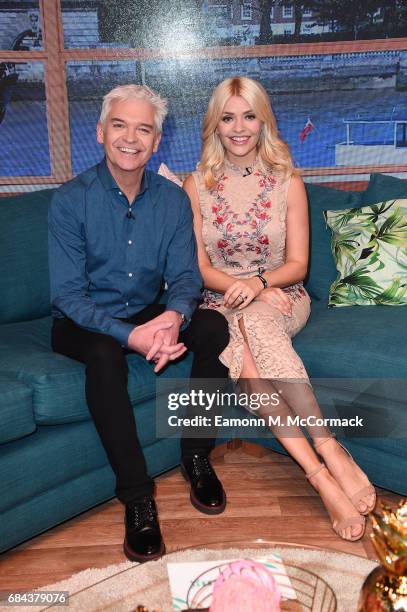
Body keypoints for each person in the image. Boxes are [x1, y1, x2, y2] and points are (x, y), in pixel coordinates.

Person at [183, 76, 376, 542]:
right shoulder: (195, 184)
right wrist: (244, 288)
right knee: (244, 354)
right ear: (215, 125)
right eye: (228, 117)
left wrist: (260, 283)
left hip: (283, 296)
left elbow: (299, 264)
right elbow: (200, 266)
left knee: (256, 323)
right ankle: (322, 471)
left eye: (248, 115)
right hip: (222, 301)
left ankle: (330, 451)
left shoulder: (288, 180)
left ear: (264, 119)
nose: (239, 127)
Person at [48, 84, 229, 563]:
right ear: (100, 133)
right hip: (82, 319)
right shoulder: (70, 200)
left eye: (143, 129)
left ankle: (196, 456)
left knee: (212, 328)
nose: (131, 138)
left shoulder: (171, 200)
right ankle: (137, 497)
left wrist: (173, 317)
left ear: (156, 140)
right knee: (105, 356)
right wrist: (133, 334)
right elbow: (67, 296)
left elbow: (186, 277)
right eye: (120, 125)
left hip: (149, 311)